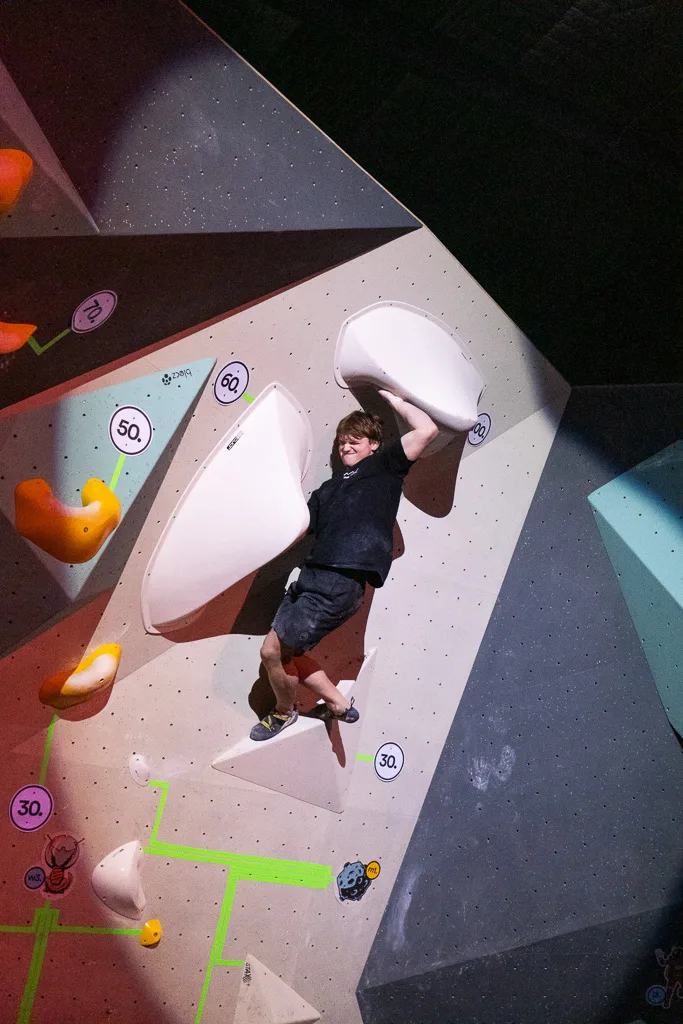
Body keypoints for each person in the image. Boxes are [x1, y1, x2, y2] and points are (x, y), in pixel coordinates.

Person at [250, 390, 439, 740]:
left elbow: (426, 430)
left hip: (340, 581)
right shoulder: (326, 490)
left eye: (355, 440)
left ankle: (283, 713)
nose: (346, 446)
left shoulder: (384, 467)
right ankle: (339, 704)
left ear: (373, 445)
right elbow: (297, 528)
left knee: (271, 650)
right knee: (287, 652)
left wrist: (393, 399)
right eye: (341, 442)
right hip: (309, 578)